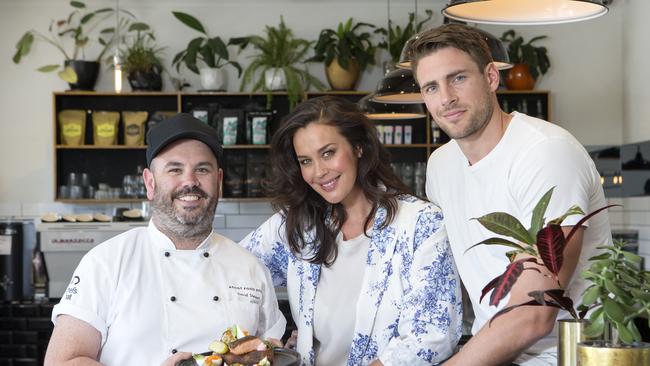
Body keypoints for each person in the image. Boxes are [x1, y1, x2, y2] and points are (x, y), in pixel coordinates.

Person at [408, 24, 612, 365]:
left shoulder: (545, 152)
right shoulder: (441, 166)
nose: (446, 98)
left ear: (490, 77)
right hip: (496, 353)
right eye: (431, 87)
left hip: (565, 356)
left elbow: (535, 312)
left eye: (457, 78)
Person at [44, 113, 286, 366]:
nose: (190, 181)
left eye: (202, 169)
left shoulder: (250, 268)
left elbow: (270, 353)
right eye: (175, 169)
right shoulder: (106, 263)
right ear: (150, 182)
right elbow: (62, 362)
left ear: (219, 181)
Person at [239, 96, 462, 366]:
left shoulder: (421, 223)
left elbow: (432, 335)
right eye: (306, 161)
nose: (319, 172)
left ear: (358, 147)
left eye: (328, 153)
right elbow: (235, 272)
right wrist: (264, 336)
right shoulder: (297, 225)